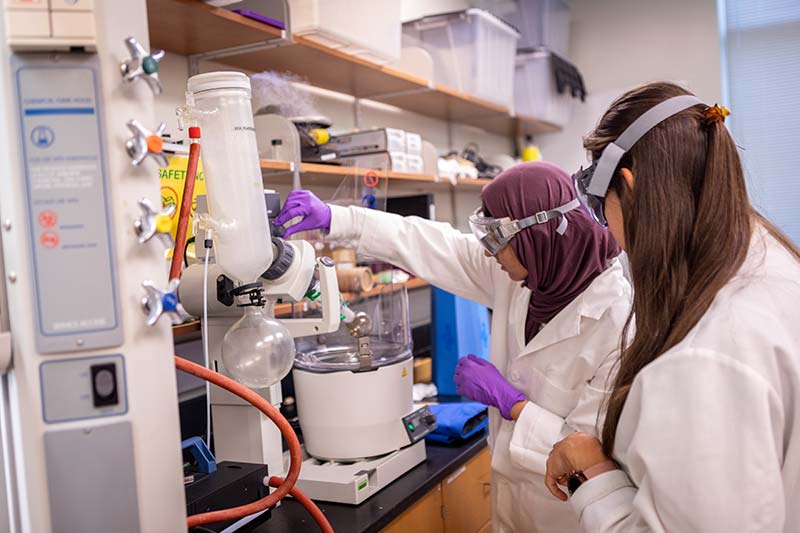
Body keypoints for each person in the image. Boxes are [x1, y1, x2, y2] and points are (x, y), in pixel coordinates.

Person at [275, 162, 632, 532]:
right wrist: (337, 219)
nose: (489, 254)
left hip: (566, 516)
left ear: (538, 235)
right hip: (511, 509)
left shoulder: (617, 325)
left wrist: (513, 404)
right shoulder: (532, 272)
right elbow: (429, 243)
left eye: (497, 239)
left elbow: (589, 456)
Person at [544, 81, 800, 532]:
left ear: (629, 186)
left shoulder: (702, 356)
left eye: (603, 208)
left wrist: (592, 474)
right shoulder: (774, 264)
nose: (609, 233)